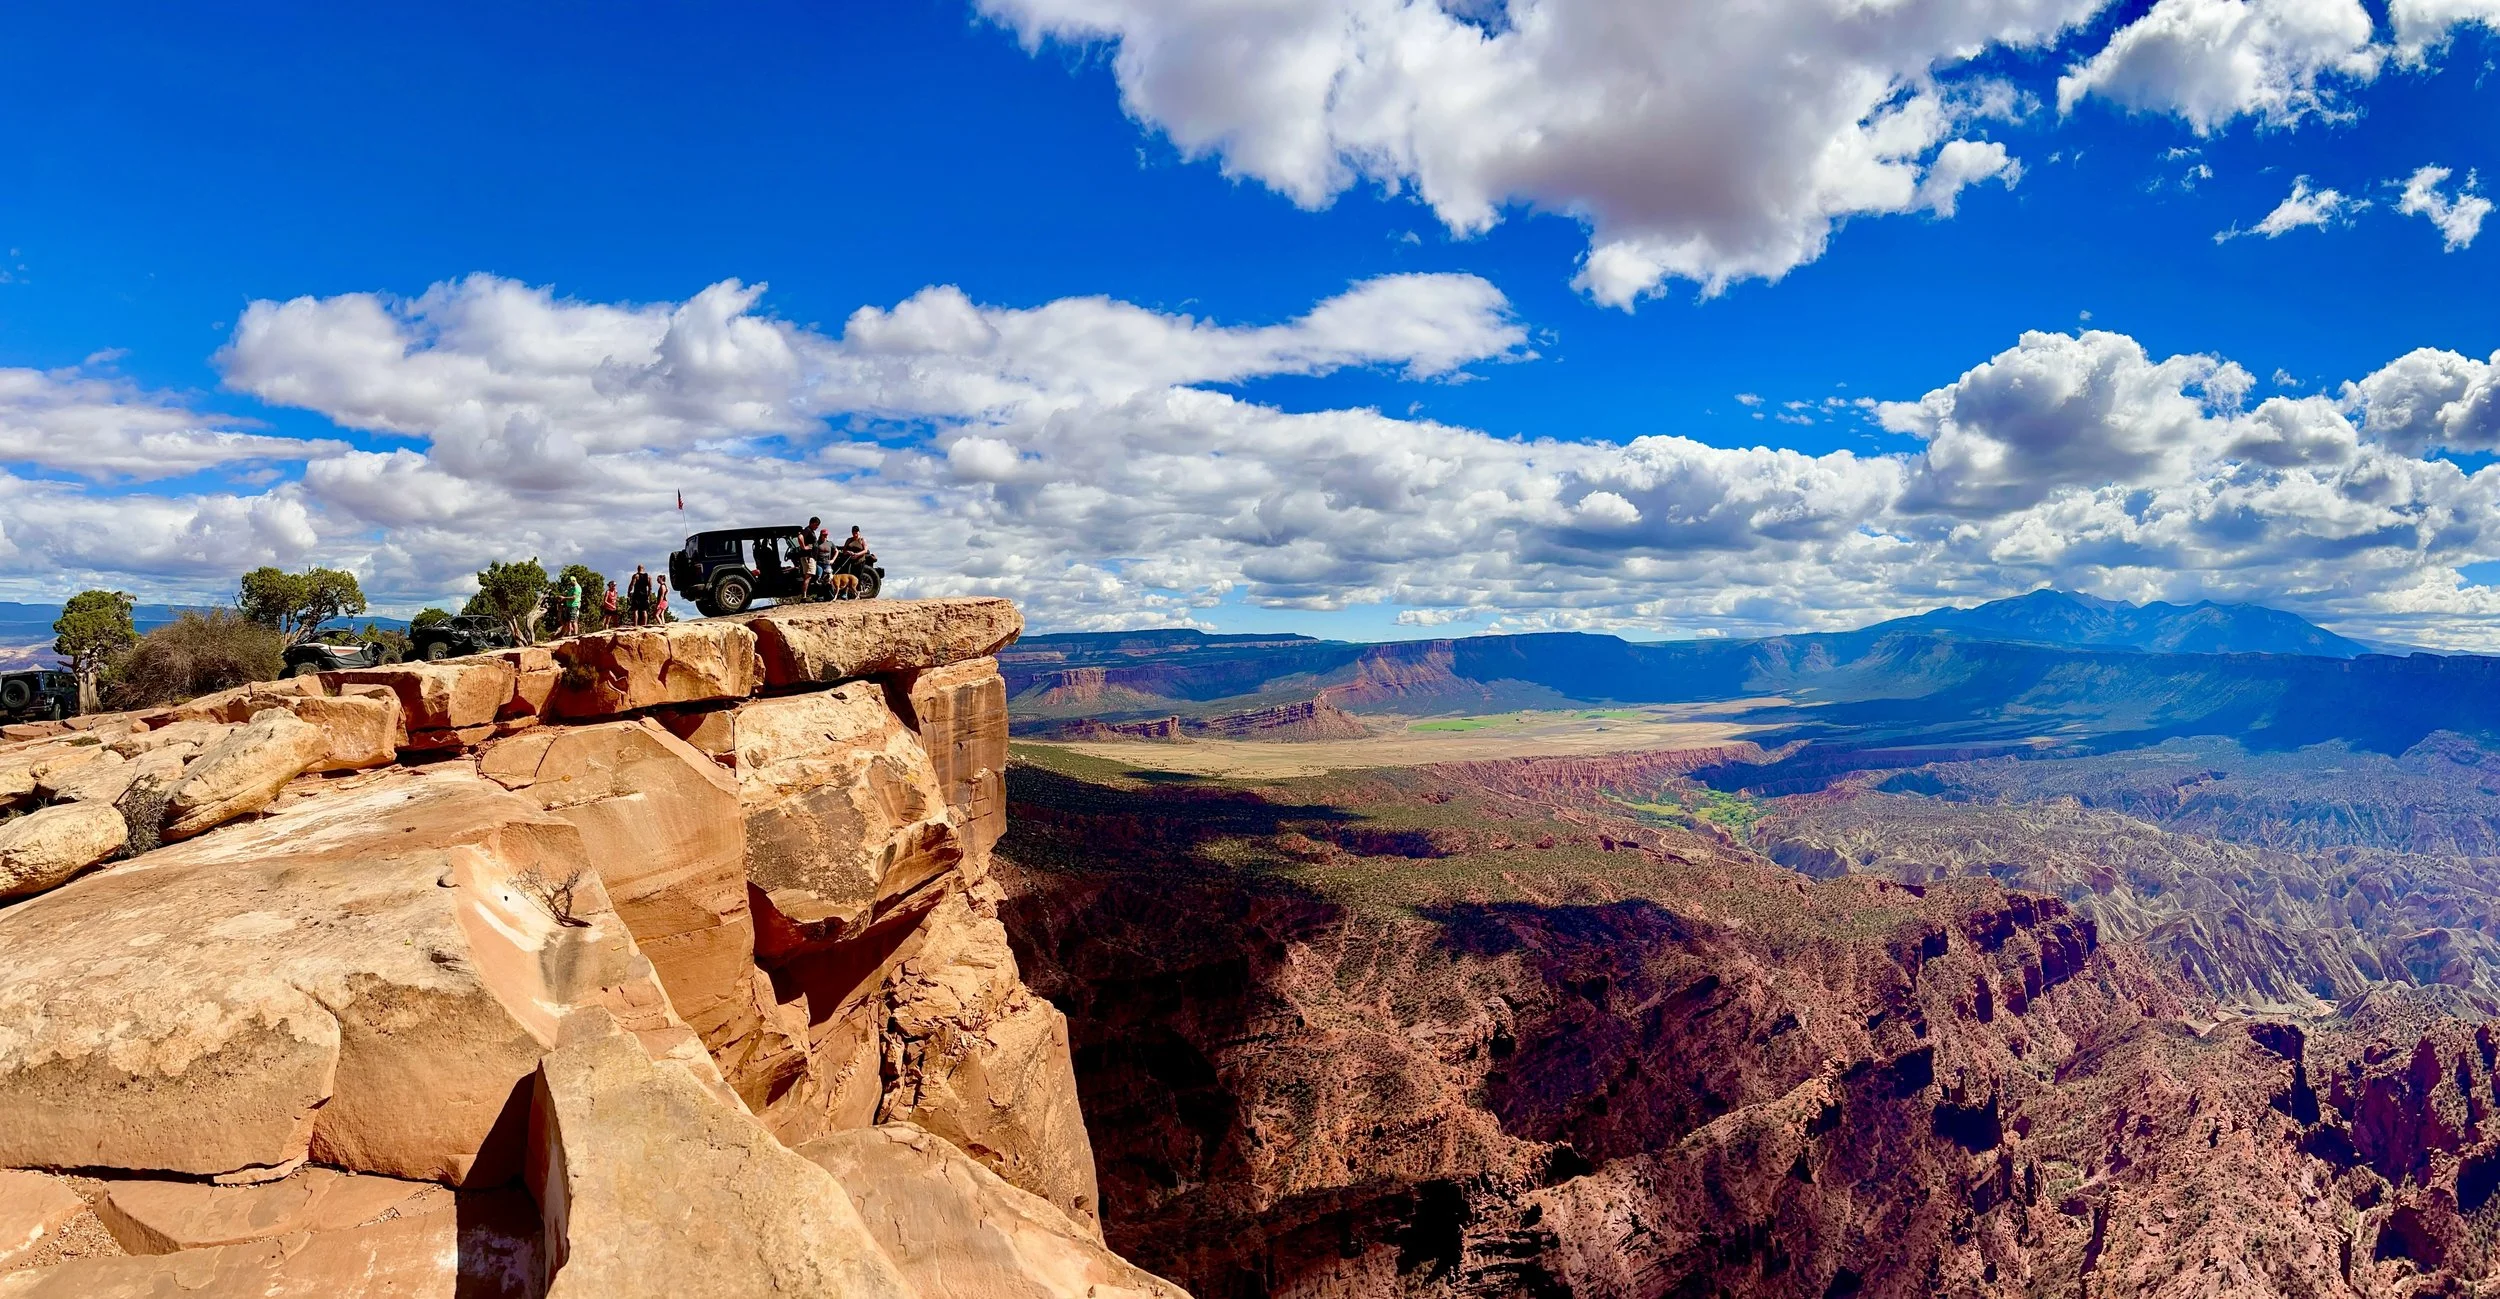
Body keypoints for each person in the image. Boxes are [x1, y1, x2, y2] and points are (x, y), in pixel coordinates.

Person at [797, 517, 822, 601]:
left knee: (808, 575)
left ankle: (805, 595)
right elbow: (800, 537)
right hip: (808, 557)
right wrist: (804, 547)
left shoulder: (810, 531)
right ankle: (804, 596)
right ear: (812, 523)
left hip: (810, 557)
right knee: (808, 576)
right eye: (816, 525)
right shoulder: (807, 530)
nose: (817, 527)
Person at [560, 574, 582, 639]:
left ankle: (575, 634)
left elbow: (574, 597)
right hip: (569, 605)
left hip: (574, 605)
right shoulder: (572, 588)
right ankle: (569, 634)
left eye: (570, 582)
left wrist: (564, 598)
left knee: (574, 620)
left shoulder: (577, 588)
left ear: (573, 581)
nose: (570, 583)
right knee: (569, 620)